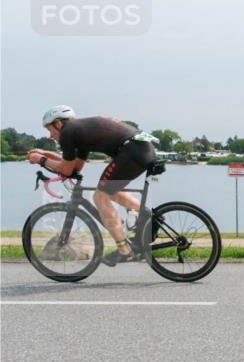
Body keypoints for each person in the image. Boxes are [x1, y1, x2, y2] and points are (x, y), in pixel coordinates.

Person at [27, 106, 158, 266]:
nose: (50, 135)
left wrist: (41, 160)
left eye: (50, 130)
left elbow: (67, 169)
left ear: (59, 123)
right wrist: (46, 154)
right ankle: (150, 217)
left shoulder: (68, 133)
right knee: (110, 192)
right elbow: (75, 167)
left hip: (131, 152)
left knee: (100, 196)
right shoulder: (80, 132)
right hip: (140, 149)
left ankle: (125, 250)